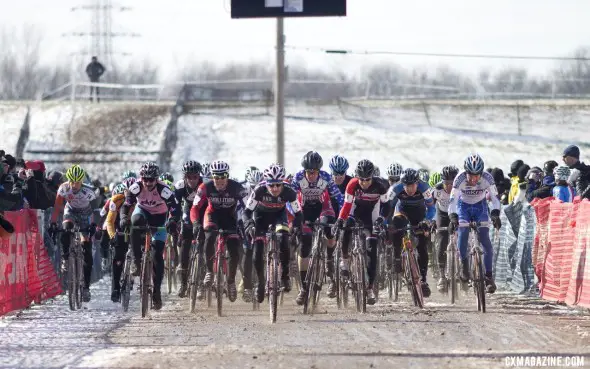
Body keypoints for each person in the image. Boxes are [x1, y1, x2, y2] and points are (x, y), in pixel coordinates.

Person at [119, 161, 180, 310]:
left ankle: (157, 292)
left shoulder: (163, 190)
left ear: (157, 179)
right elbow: (126, 206)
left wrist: (172, 220)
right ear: (141, 178)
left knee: (157, 254)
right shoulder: (136, 187)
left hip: (159, 217)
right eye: (145, 179)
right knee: (135, 220)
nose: (147, 182)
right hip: (143, 213)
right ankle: (136, 260)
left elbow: (175, 208)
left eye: (151, 179)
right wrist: (123, 218)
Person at [242, 163, 303, 304]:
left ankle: (285, 276)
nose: (275, 189)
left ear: (283, 183)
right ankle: (261, 283)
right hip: (260, 217)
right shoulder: (258, 191)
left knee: (284, 240)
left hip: (279, 216)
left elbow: (299, 213)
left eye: (278, 185)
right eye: (271, 185)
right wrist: (249, 224)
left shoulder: (289, 192)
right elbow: (246, 212)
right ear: (266, 184)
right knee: (257, 251)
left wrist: (296, 227)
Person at [334, 159, 391, 305]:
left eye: (368, 179)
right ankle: (345, 260)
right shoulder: (352, 184)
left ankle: (370, 288)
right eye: (362, 180)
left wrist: (381, 219)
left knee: (372, 250)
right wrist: (340, 219)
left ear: (373, 177)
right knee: (347, 224)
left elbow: (386, 206)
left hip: (373, 214)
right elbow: (347, 206)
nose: (364, 183)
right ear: (357, 177)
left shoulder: (381, 185)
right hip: (356, 212)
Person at [190, 160, 247, 303]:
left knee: (234, 250)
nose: (220, 180)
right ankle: (209, 271)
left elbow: (247, 207)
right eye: (216, 177)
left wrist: (246, 222)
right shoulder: (204, 187)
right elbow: (195, 208)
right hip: (212, 215)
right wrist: (196, 223)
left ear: (228, 176)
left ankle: (231, 281)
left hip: (230, 217)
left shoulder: (237, 187)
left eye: (223, 177)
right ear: (212, 177)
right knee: (209, 238)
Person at [448, 154, 501, 294]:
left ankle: (489, 277)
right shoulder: (459, 178)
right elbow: (452, 200)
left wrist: (495, 213)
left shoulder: (488, 178)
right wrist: (453, 216)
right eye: (470, 175)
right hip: (462, 206)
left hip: (480, 206)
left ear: (481, 173)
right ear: (466, 172)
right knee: (463, 232)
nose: (473, 179)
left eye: (477, 176)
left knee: (485, 240)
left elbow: (495, 198)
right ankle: (464, 265)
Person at [49, 165, 97, 302]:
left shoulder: (89, 191)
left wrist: (93, 225)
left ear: (82, 181)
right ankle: (66, 258)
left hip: (85, 214)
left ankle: (86, 287)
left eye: (77, 182)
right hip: (70, 211)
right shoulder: (64, 188)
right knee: (66, 228)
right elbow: (58, 206)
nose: (74, 185)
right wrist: (53, 222)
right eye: (71, 181)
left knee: (86, 249)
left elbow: (93, 211)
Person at [386, 168, 435, 298]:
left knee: (422, 245)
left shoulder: (425, 188)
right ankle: (397, 257)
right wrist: (387, 224)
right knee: (396, 226)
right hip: (401, 211)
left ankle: (423, 279)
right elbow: (387, 208)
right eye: (407, 186)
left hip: (419, 214)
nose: (410, 189)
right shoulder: (395, 189)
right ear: (402, 184)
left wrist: (427, 221)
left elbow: (431, 209)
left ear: (417, 183)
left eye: (412, 185)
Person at [174, 160, 204, 298]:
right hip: (187, 209)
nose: (192, 180)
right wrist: (173, 220)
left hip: (203, 211)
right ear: (184, 177)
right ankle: (184, 283)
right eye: (189, 177)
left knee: (204, 243)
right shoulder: (180, 186)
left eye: (195, 177)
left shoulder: (205, 185)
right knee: (185, 243)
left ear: (199, 176)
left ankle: (203, 281)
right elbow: (174, 207)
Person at [432, 165, 459, 293]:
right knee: (442, 241)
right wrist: (431, 221)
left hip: (457, 214)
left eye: (451, 183)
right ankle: (442, 276)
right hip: (442, 214)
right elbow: (430, 206)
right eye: (446, 183)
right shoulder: (437, 190)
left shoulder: (461, 188)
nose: (448, 186)